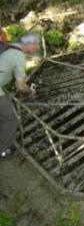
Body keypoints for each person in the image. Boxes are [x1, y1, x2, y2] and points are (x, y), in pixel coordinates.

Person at [0, 32, 40, 160]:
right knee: (10, 118)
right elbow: (21, 86)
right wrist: (30, 92)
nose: (37, 48)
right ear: (28, 44)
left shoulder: (9, 47)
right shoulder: (19, 56)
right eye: (36, 44)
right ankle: (2, 150)